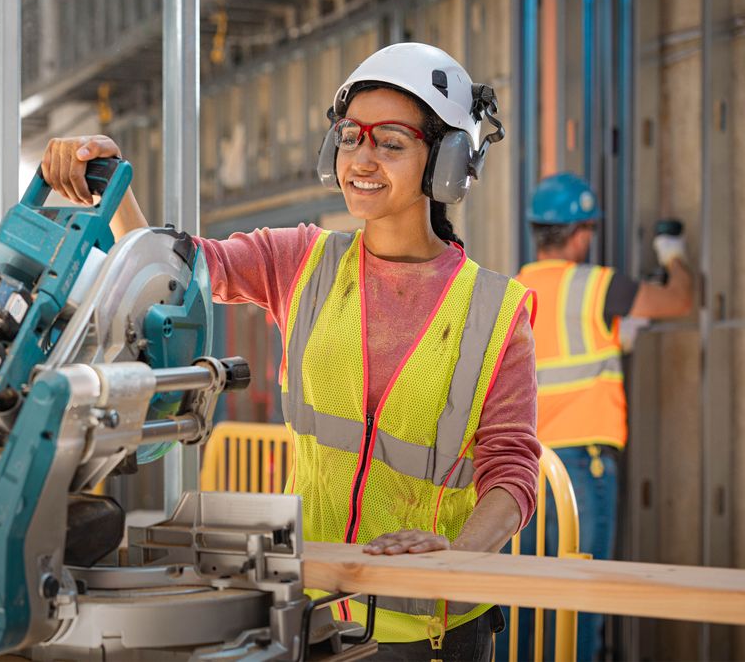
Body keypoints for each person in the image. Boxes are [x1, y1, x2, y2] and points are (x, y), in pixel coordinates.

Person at [41, 43, 541, 660]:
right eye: (351, 136)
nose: (362, 158)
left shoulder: (496, 310)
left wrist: (456, 557)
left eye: (391, 142)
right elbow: (180, 270)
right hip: (312, 611)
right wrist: (109, 183)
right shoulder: (303, 261)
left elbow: (513, 469)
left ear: (444, 163)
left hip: (430, 630)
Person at [510, 172, 693, 661]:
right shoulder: (597, 285)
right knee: (581, 598)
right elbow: (679, 299)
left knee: (527, 598)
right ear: (582, 232)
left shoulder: (511, 291)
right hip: (583, 468)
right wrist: (671, 253)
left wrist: (617, 335)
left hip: (525, 473)